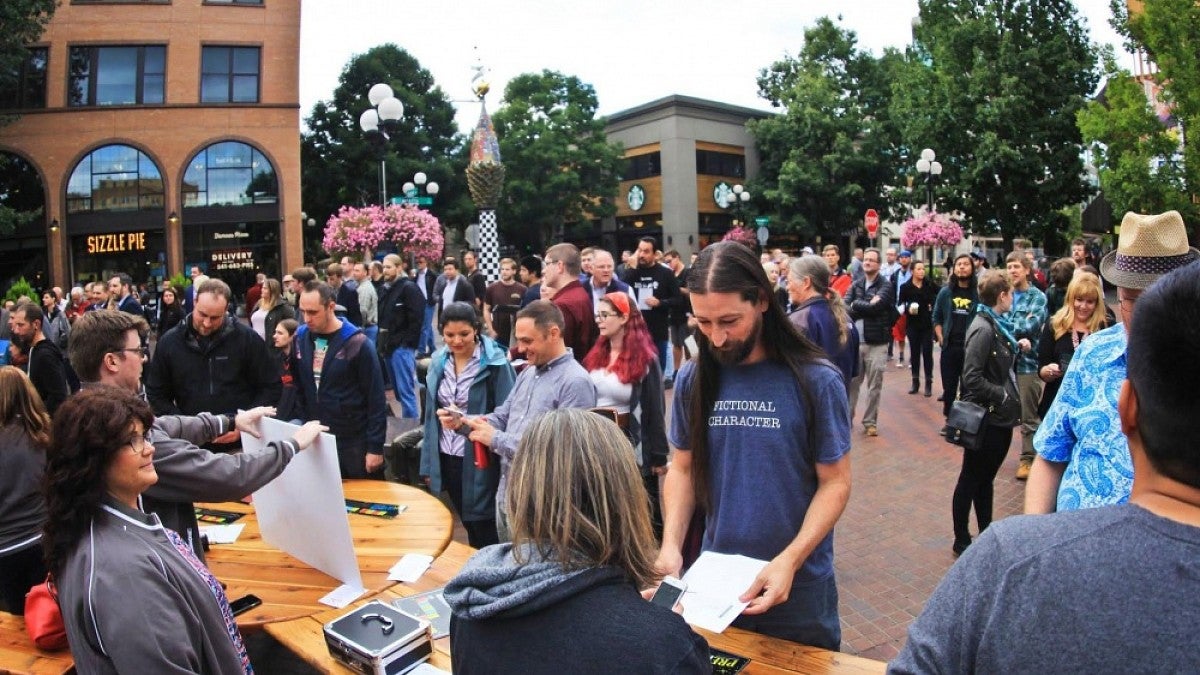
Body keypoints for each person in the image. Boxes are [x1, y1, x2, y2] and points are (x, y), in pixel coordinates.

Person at [891, 262, 1200, 673]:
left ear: (1127, 408)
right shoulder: (1017, 560)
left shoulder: (1002, 561)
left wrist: (1027, 554)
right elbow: (1049, 452)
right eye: (1129, 301)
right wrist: (1035, 545)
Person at [42, 387, 322, 673]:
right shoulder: (122, 573)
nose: (150, 447)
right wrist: (289, 446)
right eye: (133, 441)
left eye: (145, 436)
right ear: (93, 460)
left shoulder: (107, 525)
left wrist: (227, 421)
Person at [657, 241, 851, 649]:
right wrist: (671, 546)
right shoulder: (694, 378)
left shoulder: (816, 379)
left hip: (798, 588)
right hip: (714, 584)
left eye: (729, 320)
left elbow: (835, 483)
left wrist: (791, 558)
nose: (717, 337)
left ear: (762, 300)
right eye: (704, 324)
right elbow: (683, 468)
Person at [444, 409, 710, 674]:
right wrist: (657, 630)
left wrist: (626, 613)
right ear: (626, 499)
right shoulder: (662, 648)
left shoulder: (472, 603)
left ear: (522, 489)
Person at [1026, 210, 1200, 513]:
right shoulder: (1092, 354)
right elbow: (1051, 453)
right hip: (1075, 551)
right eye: (1133, 299)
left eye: (1157, 298)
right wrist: (1032, 537)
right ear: (1117, 295)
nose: (1147, 315)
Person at [437, 301, 596, 541]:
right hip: (508, 497)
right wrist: (463, 422)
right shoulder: (529, 373)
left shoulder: (575, 382)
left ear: (553, 333)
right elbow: (502, 416)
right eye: (519, 340)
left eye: (527, 341)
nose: (520, 348)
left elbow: (561, 452)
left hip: (543, 507)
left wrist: (496, 439)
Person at [420, 302, 515, 548]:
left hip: (482, 455)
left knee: (485, 524)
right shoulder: (439, 360)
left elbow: (508, 413)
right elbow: (430, 416)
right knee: (465, 518)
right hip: (448, 452)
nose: (457, 341)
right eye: (450, 335)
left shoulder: (495, 363)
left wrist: (470, 423)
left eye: (463, 334)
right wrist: (429, 463)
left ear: (476, 329)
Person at [146, 278, 281, 451]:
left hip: (241, 444)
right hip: (190, 446)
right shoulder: (170, 342)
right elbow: (156, 393)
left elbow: (271, 386)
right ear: (194, 303)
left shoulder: (247, 339)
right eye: (202, 314)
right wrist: (187, 427)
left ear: (226, 310)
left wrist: (244, 422)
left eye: (215, 317)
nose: (207, 323)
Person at [948, 270, 1022, 556]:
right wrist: (1001, 394)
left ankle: (986, 529)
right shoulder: (984, 327)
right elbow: (972, 377)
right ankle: (961, 536)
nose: (1012, 298)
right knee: (971, 477)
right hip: (987, 418)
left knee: (983, 478)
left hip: (997, 418)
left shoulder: (996, 324)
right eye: (1010, 293)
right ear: (1002, 296)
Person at [582, 292, 668, 535]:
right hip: (598, 442)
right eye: (597, 315)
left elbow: (655, 409)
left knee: (644, 514)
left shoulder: (645, 359)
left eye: (605, 315)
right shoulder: (596, 354)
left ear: (623, 318)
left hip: (631, 443)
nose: (599, 320)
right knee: (608, 510)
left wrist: (658, 455)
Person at [293, 281, 388, 479]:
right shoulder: (301, 337)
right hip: (317, 435)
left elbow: (376, 398)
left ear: (331, 307)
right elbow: (299, 386)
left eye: (313, 312)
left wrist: (375, 447)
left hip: (353, 439)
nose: (306, 318)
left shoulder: (357, 343)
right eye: (302, 311)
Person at [0, 367, 50, 614]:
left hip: (5, 548)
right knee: (49, 616)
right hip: (42, 539)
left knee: (17, 619)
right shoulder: (41, 436)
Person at [1036, 272, 1109, 419]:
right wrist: (1049, 371)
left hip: (1092, 408)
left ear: (1097, 303)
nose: (1083, 306)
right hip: (1057, 405)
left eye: (1090, 302)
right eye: (1079, 299)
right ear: (1071, 299)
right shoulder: (1055, 325)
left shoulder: (1105, 327)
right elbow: (1042, 370)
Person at [1002, 250, 1048, 480]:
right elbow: (995, 320)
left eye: (1016, 267)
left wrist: (1005, 324)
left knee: (1028, 414)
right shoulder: (1004, 295)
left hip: (1027, 364)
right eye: (1009, 267)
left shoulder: (1037, 297)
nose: (1012, 271)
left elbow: (1029, 327)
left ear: (1027, 270)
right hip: (1002, 362)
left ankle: (1028, 458)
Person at [786, 254, 859, 391]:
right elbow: (853, 372)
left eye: (790, 281)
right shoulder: (846, 319)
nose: (787, 287)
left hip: (809, 407)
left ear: (806, 282)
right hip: (840, 404)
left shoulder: (799, 321)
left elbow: (788, 376)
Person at [846, 248, 894, 437]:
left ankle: (870, 422)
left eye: (872, 260)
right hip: (856, 343)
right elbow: (845, 306)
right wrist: (864, 304)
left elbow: (878, 308)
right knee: (852, 384)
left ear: (879, 264)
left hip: (877, 343)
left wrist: (856, 304)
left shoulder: (886, 285)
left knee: (874, 386)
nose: (867, 263)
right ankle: (847, 419)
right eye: (865, 259)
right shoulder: (856, 283)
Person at [623, 237, 680, 376]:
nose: (642, 255)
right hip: (634, 332)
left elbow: (677, 299)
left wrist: (660, 303)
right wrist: (631, 268)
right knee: (635, 374)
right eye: (640, 250)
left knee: (656, 375)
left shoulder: (665, 273)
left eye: (646, 251)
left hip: (657, 332)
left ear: (655, 254)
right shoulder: (632, 272)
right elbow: (621, 294)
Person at [377, 254, 425, 419]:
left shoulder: (408, 288)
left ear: (399, 268)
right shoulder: (385, 289)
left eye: (389, 267)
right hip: (388, 347)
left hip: (402, 347)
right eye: (383, 267)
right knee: (398, 392)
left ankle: (410, 428)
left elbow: (417, 318)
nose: (385, 270)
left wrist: (408, 343)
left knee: (406, 393)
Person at [542, 243, 598, 362]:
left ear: (560, 266)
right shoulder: (579, 294)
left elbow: (553, 353)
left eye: (547, 264)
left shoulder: (564, 304)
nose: (543, 270)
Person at [11, 302, 70, 414]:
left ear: (36, 325)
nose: (16, 331)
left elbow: (58, 396)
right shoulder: (34, 350)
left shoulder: (45, 355)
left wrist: (40, 419)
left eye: (21, 325)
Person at [896, 260, 938, 397]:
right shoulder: (905, 287)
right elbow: (900, 304)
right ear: (912, 271)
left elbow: (939, 296)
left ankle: (928, 382)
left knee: (927, 352)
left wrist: (933, 306)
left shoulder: (930, 285)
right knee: (914, 353)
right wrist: (908, 308)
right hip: (912, 324)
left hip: (927, 324)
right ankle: (915, 381)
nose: (921, 271)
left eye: (923, 269)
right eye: (918, 269)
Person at [482, 258, 527, 348]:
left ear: (514, 271)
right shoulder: (492, 288)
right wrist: (491, 330)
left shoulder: (522, 289)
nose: (504, 272)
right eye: (502, 269)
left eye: (507, 269)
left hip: (516, 333)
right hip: (497, 334)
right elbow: (486, 309)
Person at [272, 318, 302, 423]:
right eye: (275, 332)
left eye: (280, 333)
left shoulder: (302, 361)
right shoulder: (277, 360)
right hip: (280, 414)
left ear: (292, 336)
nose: (274, 336)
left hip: (298, 416)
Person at [434, 256, 476, 325]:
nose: (447, 272)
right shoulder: (444, 285)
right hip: (446, 321)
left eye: (450, 269)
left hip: (460, 321)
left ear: (457, 270)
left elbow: (471, 304)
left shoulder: (465, 285)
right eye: (445, 269)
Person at [255, 278, 295, 351]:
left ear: (272, 290)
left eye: (265, 288)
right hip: (256, 346)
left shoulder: (282, 307)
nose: (262, 290)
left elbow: (292, 324)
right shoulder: (259, 304)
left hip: (272, 348)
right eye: (262, 288)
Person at [412, 256, 438, 356]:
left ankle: (421, 350)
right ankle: (432, 348)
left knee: (424, 327)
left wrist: (434, 298)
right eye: (417, 262)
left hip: (428, 302)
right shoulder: (416, 275)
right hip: (419, 303)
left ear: (426, 263)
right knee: (427, 326)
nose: (419, 264)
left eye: (421, 262)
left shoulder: (431, 275)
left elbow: (436, 287)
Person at [325, 262, 362, 328]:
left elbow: (355, 316)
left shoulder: (350, 292)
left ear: (340, 277)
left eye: (332, 279)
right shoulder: (326, 291)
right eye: (327, 278)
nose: (329, 281)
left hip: (346, 327)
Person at [352, 261, 379, 347]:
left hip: (368, 328)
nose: (354, 273)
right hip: (368, 328)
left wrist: (360, 327)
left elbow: (363, 310)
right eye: (354, 270)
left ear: (365, 273)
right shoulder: (362, 285)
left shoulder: (365, 288)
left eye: (357, 271)